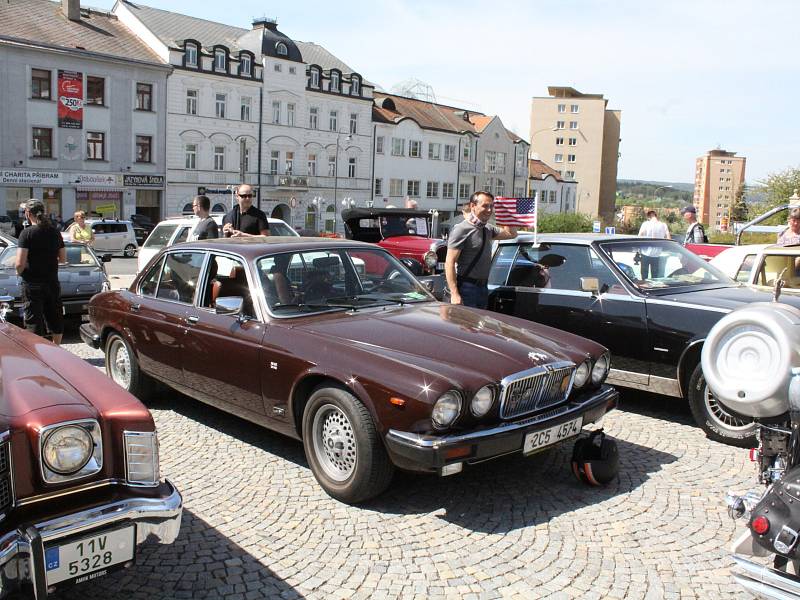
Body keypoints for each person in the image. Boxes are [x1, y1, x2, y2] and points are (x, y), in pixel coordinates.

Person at [445, 191, 517, 308]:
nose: (489, 210)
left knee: (480, 325)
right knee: (466, 325)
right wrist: (454, 293)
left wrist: (506, 213)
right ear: (473, 206)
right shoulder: (461, 229)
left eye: (491, 206)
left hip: (483, 287)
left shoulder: (487, 228)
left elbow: (511, 234)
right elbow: (450, 263)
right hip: (467, 287)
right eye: (485, 206)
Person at [15, 199, 66, 344]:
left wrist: (18, 271)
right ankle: (57, 349)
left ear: (27, 213)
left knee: (33, 320)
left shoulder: (26, 233)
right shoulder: (55, 232)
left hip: (32, 283)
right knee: (55, 316)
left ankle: (38, 354)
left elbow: (19, 263)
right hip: (51, 282)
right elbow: (62, 258)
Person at [637, 210, 670, 278]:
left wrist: (638, 251)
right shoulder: (663, 225)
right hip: (657, 254)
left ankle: (645, 287)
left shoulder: (645, 224)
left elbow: (639, 236)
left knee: (644, 275)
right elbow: (668, 238)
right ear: (656, 215)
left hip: (645, 253)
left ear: (648, 216)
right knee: (655, 276)